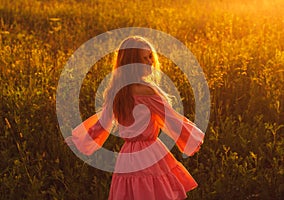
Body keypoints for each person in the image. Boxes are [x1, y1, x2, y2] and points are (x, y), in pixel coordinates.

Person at [66, 36, 204, 200]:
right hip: (150, 153)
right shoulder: (146, 90)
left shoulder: (116, 90)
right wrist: (192, 138)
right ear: (132, 63)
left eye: (150, 57)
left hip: (127, 156)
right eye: (144, 58)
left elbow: (101, 124)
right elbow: (172, 119)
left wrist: (80, 140)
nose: (150, 62)